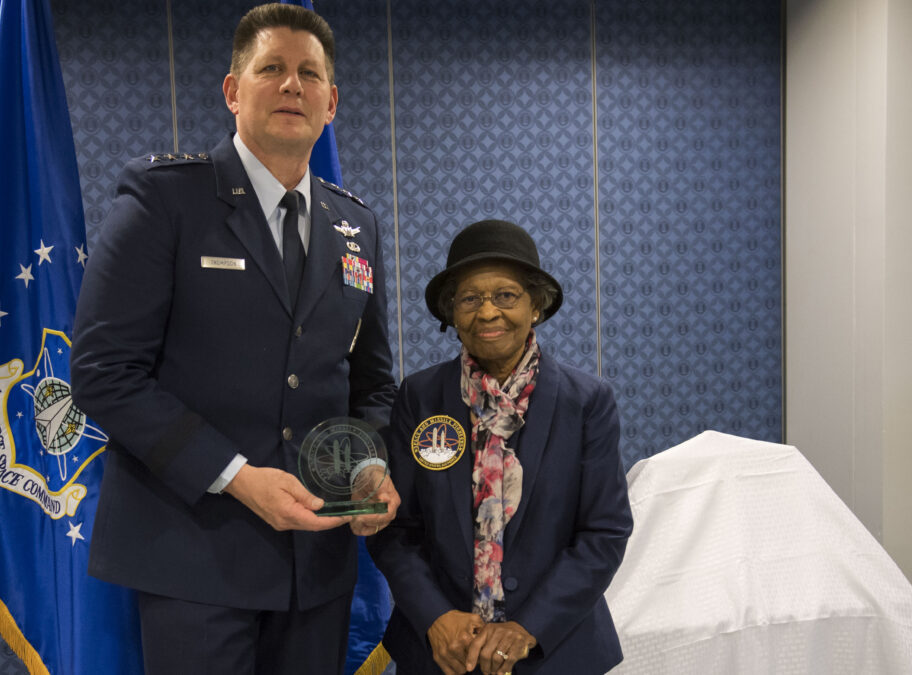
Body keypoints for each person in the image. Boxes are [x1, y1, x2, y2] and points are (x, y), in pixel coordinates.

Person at [69, 4, 399, 673]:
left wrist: (368, 463)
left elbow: (371, 382)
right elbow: (103, 371)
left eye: (309, 74)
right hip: (195, 553)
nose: (291, 86)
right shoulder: (167, 199)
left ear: (330, 102)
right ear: (232, 90)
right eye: (271, 68)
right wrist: (237, 476)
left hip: (318, 563)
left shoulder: (356, 226)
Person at [367, 219, 633, 675]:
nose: (487, 312)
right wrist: (436, 617)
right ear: (451, 314)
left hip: (555, 651)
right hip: (441, 652)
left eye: (506, 295)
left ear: (536, 306)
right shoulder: (420, 397)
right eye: (469, 298)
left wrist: (528, 627)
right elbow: (397, 529)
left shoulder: (586, 401)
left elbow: (603, 534)